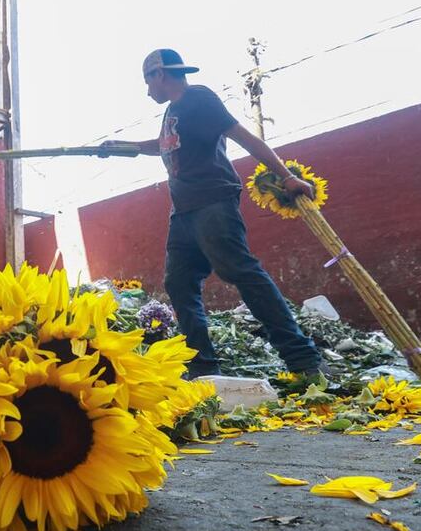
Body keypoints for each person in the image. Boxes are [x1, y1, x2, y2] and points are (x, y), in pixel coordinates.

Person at [103, 48, 325, 380]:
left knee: (241, 271)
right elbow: (164, 144)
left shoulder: (199, 99)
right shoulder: (174, 112)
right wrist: (124, 147)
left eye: (148, 82)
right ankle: (202, 365)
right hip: (183, 213)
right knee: (179, 283)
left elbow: (244, 136)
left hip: (212, 203)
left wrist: (287, 176)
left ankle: (303, 359)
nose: (148, 91)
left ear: (159, 74)